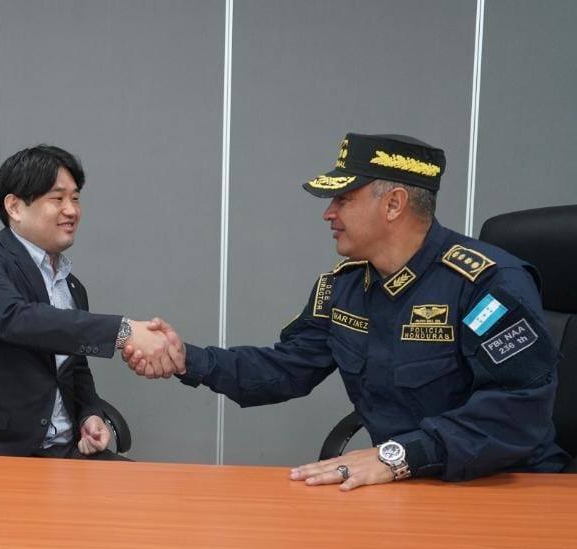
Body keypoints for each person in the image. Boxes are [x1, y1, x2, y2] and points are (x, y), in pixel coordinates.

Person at [125, 133, 569, 488]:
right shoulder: (344, 287)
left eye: (343, 199)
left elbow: (517, 411)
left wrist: (398, 455)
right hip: (407, 485)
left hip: (506, 486)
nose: (328, 214)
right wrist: (186, 358)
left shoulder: (487, 284)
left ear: (393, 204)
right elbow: (285, 369)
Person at [0, 144, 177, 458]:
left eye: (75, 198)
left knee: (152, 486)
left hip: (61, 452)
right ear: (14, 207)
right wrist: (123, 331)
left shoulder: (71, 285)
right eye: (57, 199)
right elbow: (15, 319)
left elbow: (76, 368)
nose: (71, 211)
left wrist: (89, 414)